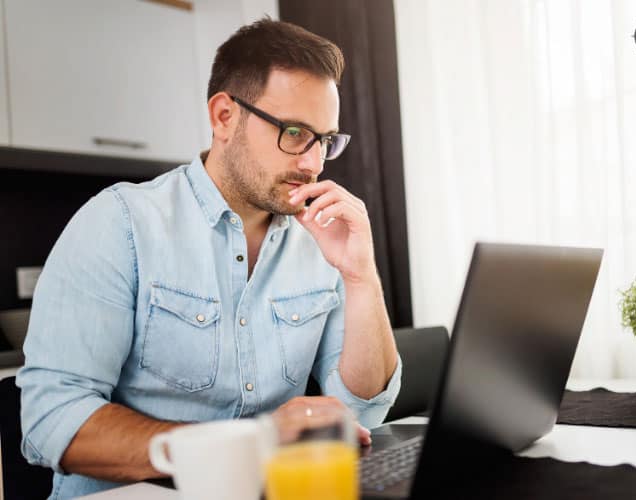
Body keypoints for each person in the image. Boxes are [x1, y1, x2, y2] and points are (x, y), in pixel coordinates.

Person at [17, 18, 401, 499]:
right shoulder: (121, 223)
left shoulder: (320, 240)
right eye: (295, 132)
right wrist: (248, 443)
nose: (313, 163)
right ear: (224, 116)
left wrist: (360, 275)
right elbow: (51, 420)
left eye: (325, 140)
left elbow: (362, 413)